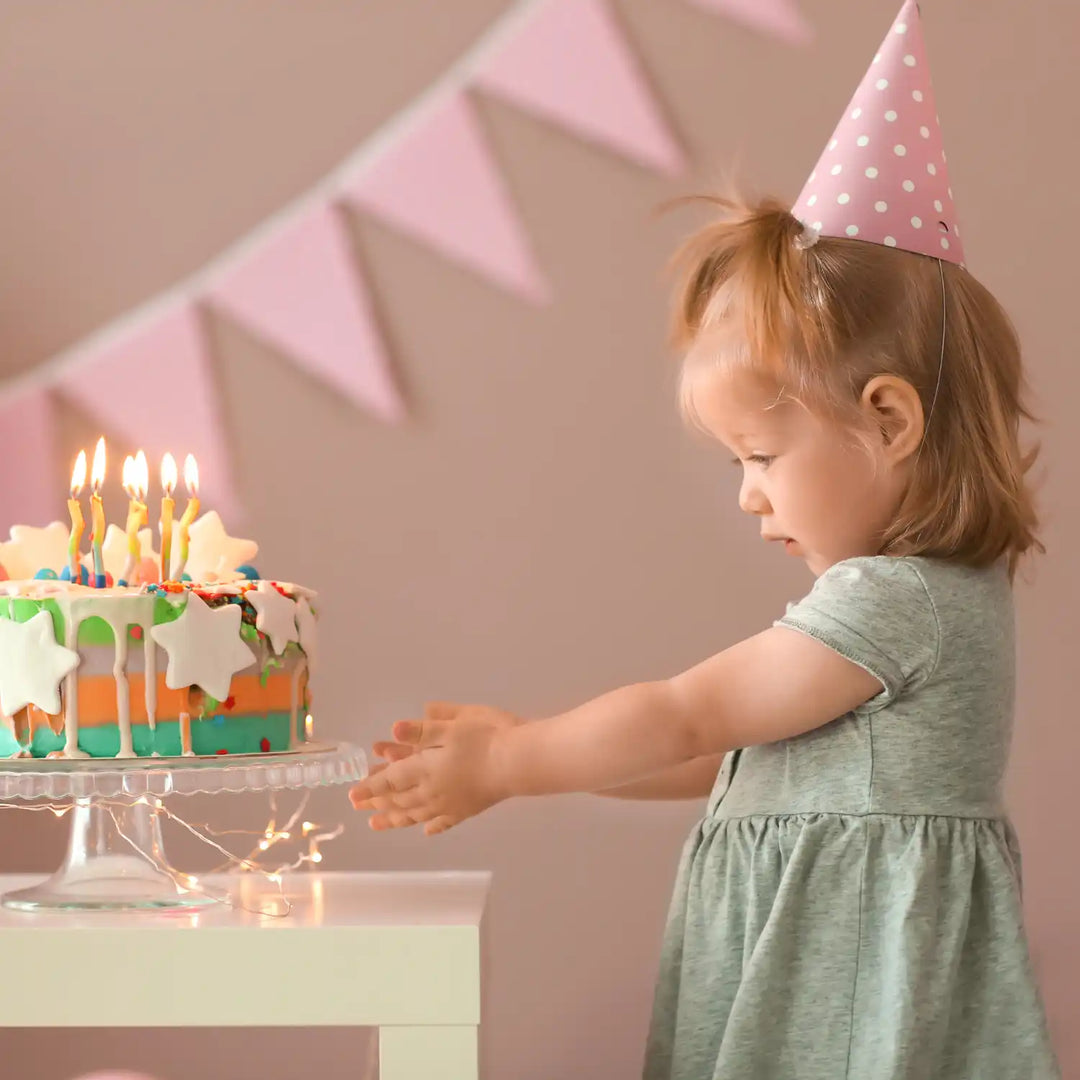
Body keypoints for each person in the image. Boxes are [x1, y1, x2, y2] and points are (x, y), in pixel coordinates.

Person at [348, 2, 1061, 1075]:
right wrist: (541, 745)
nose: (748, 498)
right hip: (815, 983)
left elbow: (687, 716)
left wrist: (511, 759)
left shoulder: (897, 600)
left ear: (891, 420)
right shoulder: (911, 608)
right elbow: (720, 761)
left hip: (854, 1009)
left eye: (763, 458)